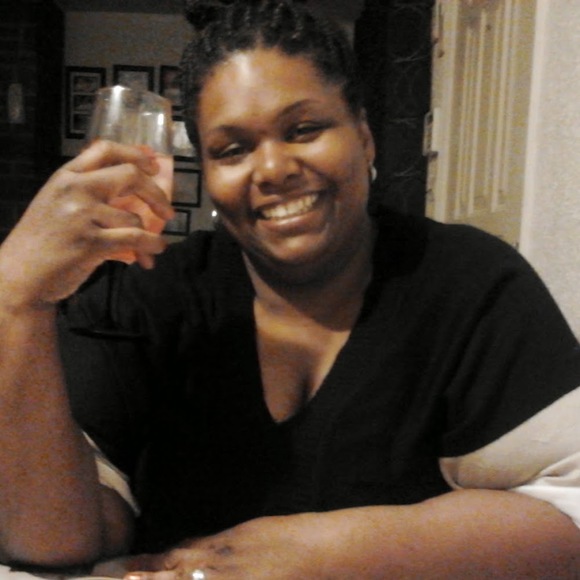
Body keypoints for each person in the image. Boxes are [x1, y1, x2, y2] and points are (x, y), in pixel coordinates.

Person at [0, 0, 579, 577]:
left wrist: (325, 553)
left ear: (365, 136)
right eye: (232, 150)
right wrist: (17, 297)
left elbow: (570, 514)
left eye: (304, 129)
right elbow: (52, 543)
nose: (273, 169)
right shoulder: (151, 298)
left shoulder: (468, 283)